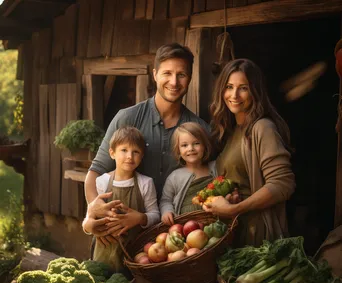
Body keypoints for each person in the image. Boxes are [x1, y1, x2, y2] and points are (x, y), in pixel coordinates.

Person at [84, 43, 209, 245]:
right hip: (119, 235)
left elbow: (211, 179)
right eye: (167, 73)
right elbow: (95, 173)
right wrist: (95, 213)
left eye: (182, 75)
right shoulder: (127, 118)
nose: (174, 82)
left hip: (176, 241)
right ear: (155, 74)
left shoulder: (200, 130)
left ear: (190, 78)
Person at [204, 58, 295, 247]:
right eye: (229, 87)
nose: (234, 95)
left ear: (255, 92)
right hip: (234, 232)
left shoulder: (262, 128)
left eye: (243, 88)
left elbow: (282, 184)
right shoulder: (229, 131)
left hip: (257, 234)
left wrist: (234, 209)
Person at [82, 126, 160, 271]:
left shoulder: (146, 183)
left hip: (134, 253)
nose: (130, 156)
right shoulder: (102, 182)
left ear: (141, 157)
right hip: (104, 250)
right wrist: (88, 227)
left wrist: (140, 218)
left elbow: (155, 215)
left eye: (135, 152)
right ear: (112, 153)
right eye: (124, 150)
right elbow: (90, 216)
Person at [159, 122, 217, 225]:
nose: (190, 148)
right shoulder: (175, 176)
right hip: (186, 229)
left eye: (196, 143)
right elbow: (166, 200)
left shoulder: (214, 168)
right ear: (178, 150)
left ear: (205, 146)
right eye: (184, 145)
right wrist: (167, 211)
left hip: (214, 224)